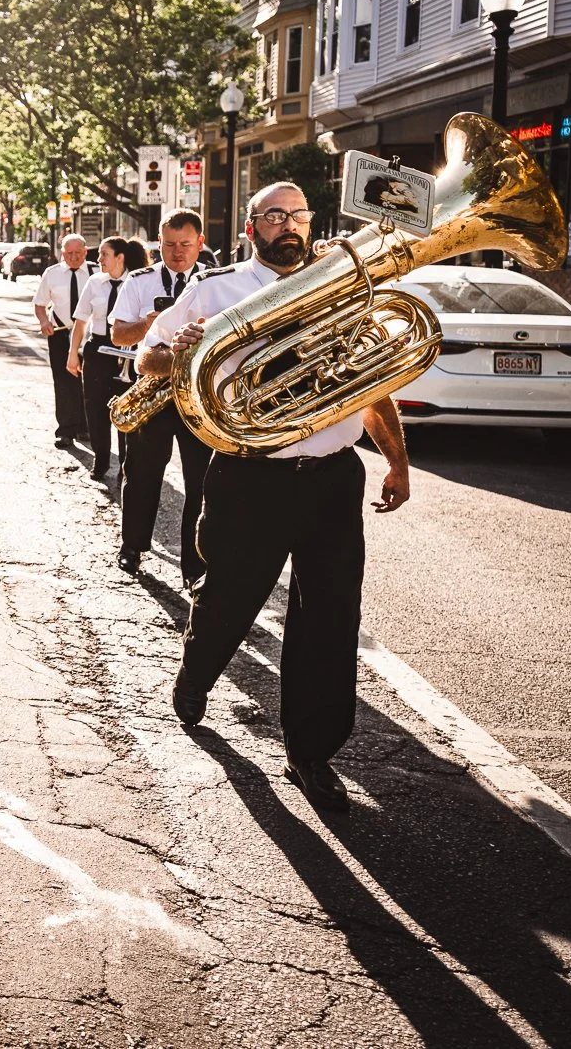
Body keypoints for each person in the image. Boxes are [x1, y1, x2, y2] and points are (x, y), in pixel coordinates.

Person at [139, 183, 412, 812]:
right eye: (273, 216)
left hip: (332, 478)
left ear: (311, 222)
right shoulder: (216, 290)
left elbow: (373, 384)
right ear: (250, 226)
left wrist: (397, 461)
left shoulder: (344, 286)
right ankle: (198, 671)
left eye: (297, 215)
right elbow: (146, 356)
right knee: (228, 598)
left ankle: (311, 751)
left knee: (331, 614)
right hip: (249, 475)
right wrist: (177, 356)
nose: (287, 225)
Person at [110, 210, 210, 580]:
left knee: (201, 481)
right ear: (158, 242)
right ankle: (132, 547)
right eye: (169, 244)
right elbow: (119, 335)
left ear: (200, 243)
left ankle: (195, 566)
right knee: (141, 473)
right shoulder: (139, 281)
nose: (177, 252)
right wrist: (149, 325)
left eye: (185, 244)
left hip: (198, 394)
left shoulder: (216, 282)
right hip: (152, 388)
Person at [67, 236, 145, 483]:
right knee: (95, 408)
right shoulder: (95, 282)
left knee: (124, 409)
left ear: (120, 257)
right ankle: (101, 460)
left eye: (104, 254)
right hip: (98, 349)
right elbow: (80, 320)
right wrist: (73, 353)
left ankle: (126, 465)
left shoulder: (136, 282)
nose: (98, 259)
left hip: (126, 351)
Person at [32, 234, 90, 448]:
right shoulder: (52, 273)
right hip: (60, 333)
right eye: (69, 254)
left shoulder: (95, 273)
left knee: (88, 382)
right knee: (64, 382)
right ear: (62, 253)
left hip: (88, 335)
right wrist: (44, 321)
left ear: (85, 252)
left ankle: (85, 427)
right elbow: (40, 304)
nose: (74, 258)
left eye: (78, 253)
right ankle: (65, 430)